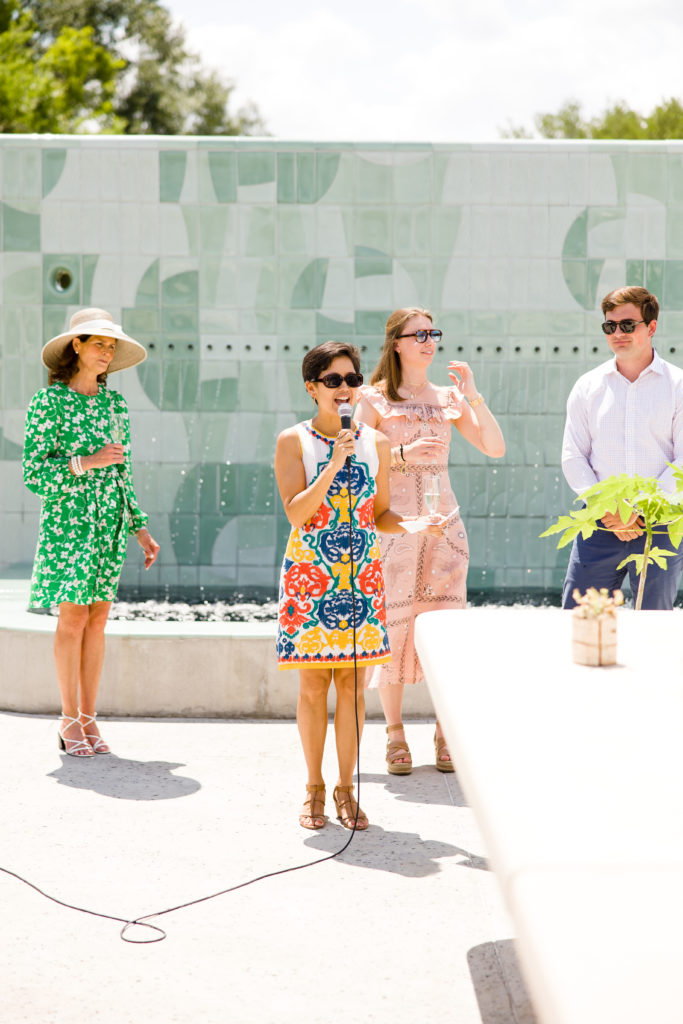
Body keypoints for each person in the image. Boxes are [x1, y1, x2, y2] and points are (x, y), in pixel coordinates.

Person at [275, 340, 439, 830]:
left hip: (361, 576)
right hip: (311, 576)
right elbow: (296, 512)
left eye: (351, 380)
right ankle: (314, 788)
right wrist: (331, 464)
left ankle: (347, 789)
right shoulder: (292, 441)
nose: (344, 389)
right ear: (312, 388)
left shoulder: (378, 442)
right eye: (333, 381)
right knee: (312, 688)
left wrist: (413, 525)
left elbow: (381, 514)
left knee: (352, 687)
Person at [357, 307, 505, 775]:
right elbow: (352, 462)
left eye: (432, 333)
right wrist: (400, 452)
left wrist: (474, 397)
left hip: (445, 530)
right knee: (394, 627)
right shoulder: (372, 399)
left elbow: (495, 447)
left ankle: (445, 732)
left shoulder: (447, 398)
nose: (427, 340)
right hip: (395, 528)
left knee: (446, 632)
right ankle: (395, 733)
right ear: (396, 342)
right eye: (417, 334)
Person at [23, 308, 160, 757]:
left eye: (111, 346)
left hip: (109, 523)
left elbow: (124, 470)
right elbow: (33, 473)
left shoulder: (115, 404)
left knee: (98, 618)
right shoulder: (49, 402)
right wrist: (87, 461)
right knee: (73, 618)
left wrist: (139, 526)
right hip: (68, 521)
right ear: (76, 345)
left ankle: (88, 717)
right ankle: (67, 719)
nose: (107, 352)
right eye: (98, 343)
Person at [561, 286, 683, 609]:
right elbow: (573, 456)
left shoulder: (678, 386)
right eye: (609, 326)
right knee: (578, 622)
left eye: (627, 325)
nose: (618, 333)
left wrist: (641, 509)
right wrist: (609, 509)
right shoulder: (587, 387)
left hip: (659, 525)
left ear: (651, 327)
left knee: (654, 629)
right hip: (601, 526)